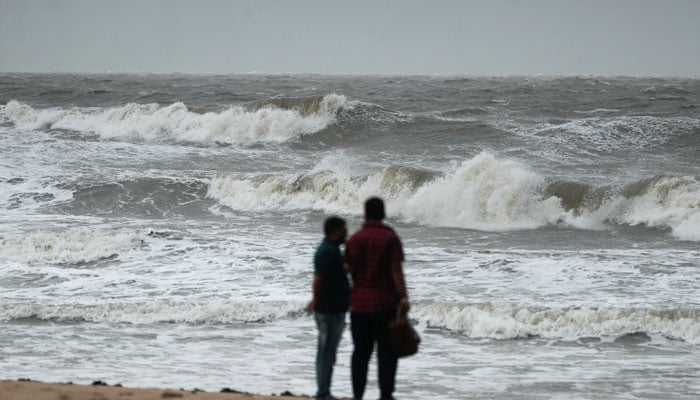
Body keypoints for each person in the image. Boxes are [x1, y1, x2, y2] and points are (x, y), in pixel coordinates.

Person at [345, 197, 410, 400]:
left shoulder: (355, 239)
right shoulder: (390, 238)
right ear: (383, 213)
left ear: (365, 214)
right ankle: (385, 395)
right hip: (384, 304)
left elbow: (347, 270)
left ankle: (358, 395)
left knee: (360, 354)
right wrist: (404, 297)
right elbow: (395, 270)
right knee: (386, 353)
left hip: (359, 305)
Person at [306, 216, 351, 400]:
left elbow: (342, 271)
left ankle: (324, 391)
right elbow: (318, 279)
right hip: (328, 309)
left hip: (333, 308)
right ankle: (323, 393)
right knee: (326, 353)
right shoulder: (327, 251)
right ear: (336, 231)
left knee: (328, 353)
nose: (346, 232)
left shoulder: (332, 250)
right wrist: (315, 299)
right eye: (344, 229)